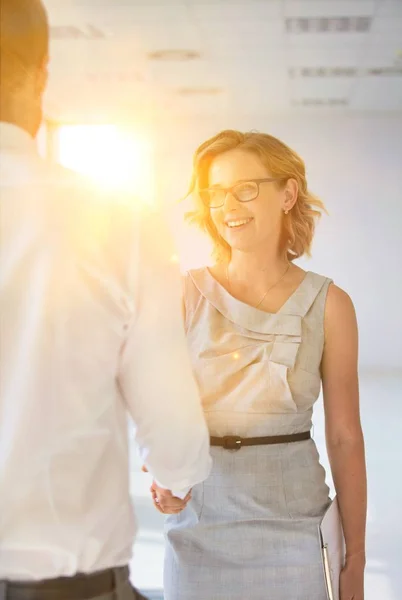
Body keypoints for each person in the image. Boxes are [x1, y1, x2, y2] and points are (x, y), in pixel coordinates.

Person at [0, 1, 211, 599]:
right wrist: (176, 476)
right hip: (64, 585)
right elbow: (174, 434)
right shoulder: (118, 220)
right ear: (41, 72)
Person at [151, 130, 367, 600]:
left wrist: (356, 558)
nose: (229, 204)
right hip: (200, 531)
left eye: (245, 188)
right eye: (215, 193)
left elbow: (345, 436)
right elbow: (158, 408)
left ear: (288, 194)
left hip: (297, 533)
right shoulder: (181, 295)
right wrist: (162, 477)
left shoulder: (330, 304)